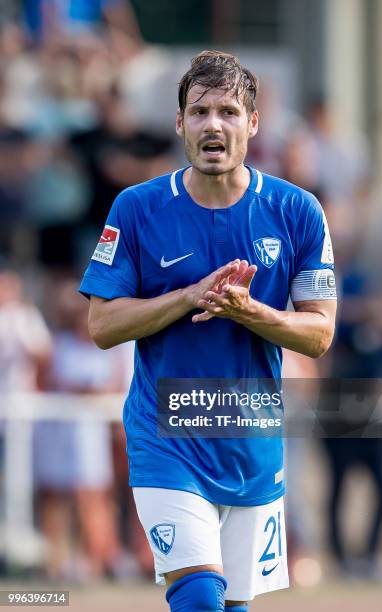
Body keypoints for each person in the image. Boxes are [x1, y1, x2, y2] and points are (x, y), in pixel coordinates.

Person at [79, 51, 337, 611]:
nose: (212, 124)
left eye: (227, 111)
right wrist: (188, 297)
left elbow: (319, 334)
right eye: (198, 112)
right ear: (180, 124)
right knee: (198, 600)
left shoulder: (297, 212)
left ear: (253, 123)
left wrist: (250, 313)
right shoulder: (138, 208)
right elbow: (101, 324)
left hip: (251, 443)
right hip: (165, 437)